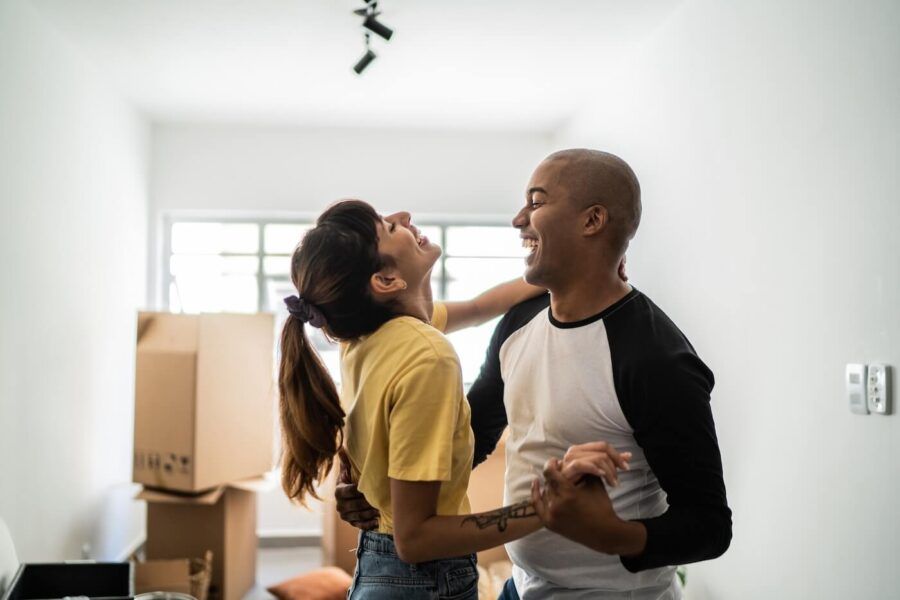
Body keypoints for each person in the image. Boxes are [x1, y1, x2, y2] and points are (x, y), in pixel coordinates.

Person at [338, 150, 732, 599]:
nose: (517, 219)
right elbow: (471, 436)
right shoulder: (519, 322)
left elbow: (709, 526)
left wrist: (612, 535)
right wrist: (377, 486)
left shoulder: (655, 358)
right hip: (522, 589)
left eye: (536, 202)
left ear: (592, 221)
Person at [278, 200, 611, 599]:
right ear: (385, 281)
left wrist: (576, 273)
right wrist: (544, 509)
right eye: (388, 226)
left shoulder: (370, 335)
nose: (403, 216)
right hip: (422, 581)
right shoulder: (426, 355)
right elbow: (415, 539)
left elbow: (480, 307)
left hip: (383, 568)